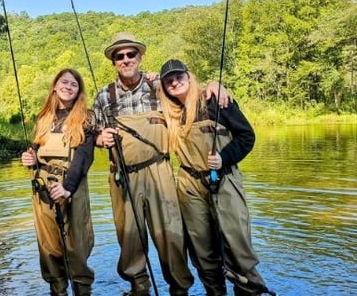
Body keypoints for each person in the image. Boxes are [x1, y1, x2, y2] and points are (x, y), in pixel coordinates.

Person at [93, 32, 231, 296]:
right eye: (119, 56)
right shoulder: (103, 96)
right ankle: (139, 287)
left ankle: (180, 289)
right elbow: (92, 134)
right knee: (129, 237)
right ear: (113, 61)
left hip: (160, 171)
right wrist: (100, 138)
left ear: (140, 56)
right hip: (123, 177)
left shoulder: (159, 86)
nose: (125, 59)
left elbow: (191, 95)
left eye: (130, 54)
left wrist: (216, 84)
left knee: (172, 234)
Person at [158, 59, 267, 296]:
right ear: (164, 87)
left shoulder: (216, 101)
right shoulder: (169, 112)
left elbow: (246, 137)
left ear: (189, 77)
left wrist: (224, 158)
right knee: (202, 250)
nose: (175, 83)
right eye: (169, 81)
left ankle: (251, 290)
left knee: (237, 245)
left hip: (225, 180)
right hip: (189, 185)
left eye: (179, 77)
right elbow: (136, 79)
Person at [21, 68, 95, 296]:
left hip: (71, 184)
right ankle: (58, 289)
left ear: (79, 90)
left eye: (74, 84)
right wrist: (29, 159)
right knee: (48, 246)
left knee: (77, 245)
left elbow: (85, 156)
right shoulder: (43, 117)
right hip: (42, 187)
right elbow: (35, 151)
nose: (68, 87)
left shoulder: (87, 117)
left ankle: (82, 289)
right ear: (55, 85)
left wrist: (67, 189)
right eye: (64, 82)